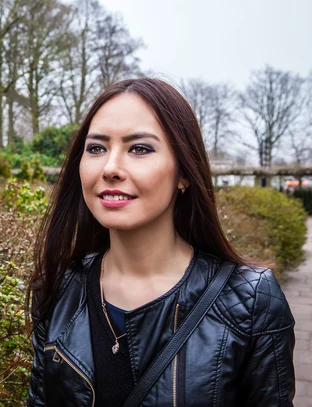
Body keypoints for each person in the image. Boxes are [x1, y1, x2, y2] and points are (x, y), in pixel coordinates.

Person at [25, 77, 296, 406]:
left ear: (184, 173)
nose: (110, 167)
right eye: (96, 148)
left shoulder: (249, 301)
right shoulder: (57, 289)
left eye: (139, 148)